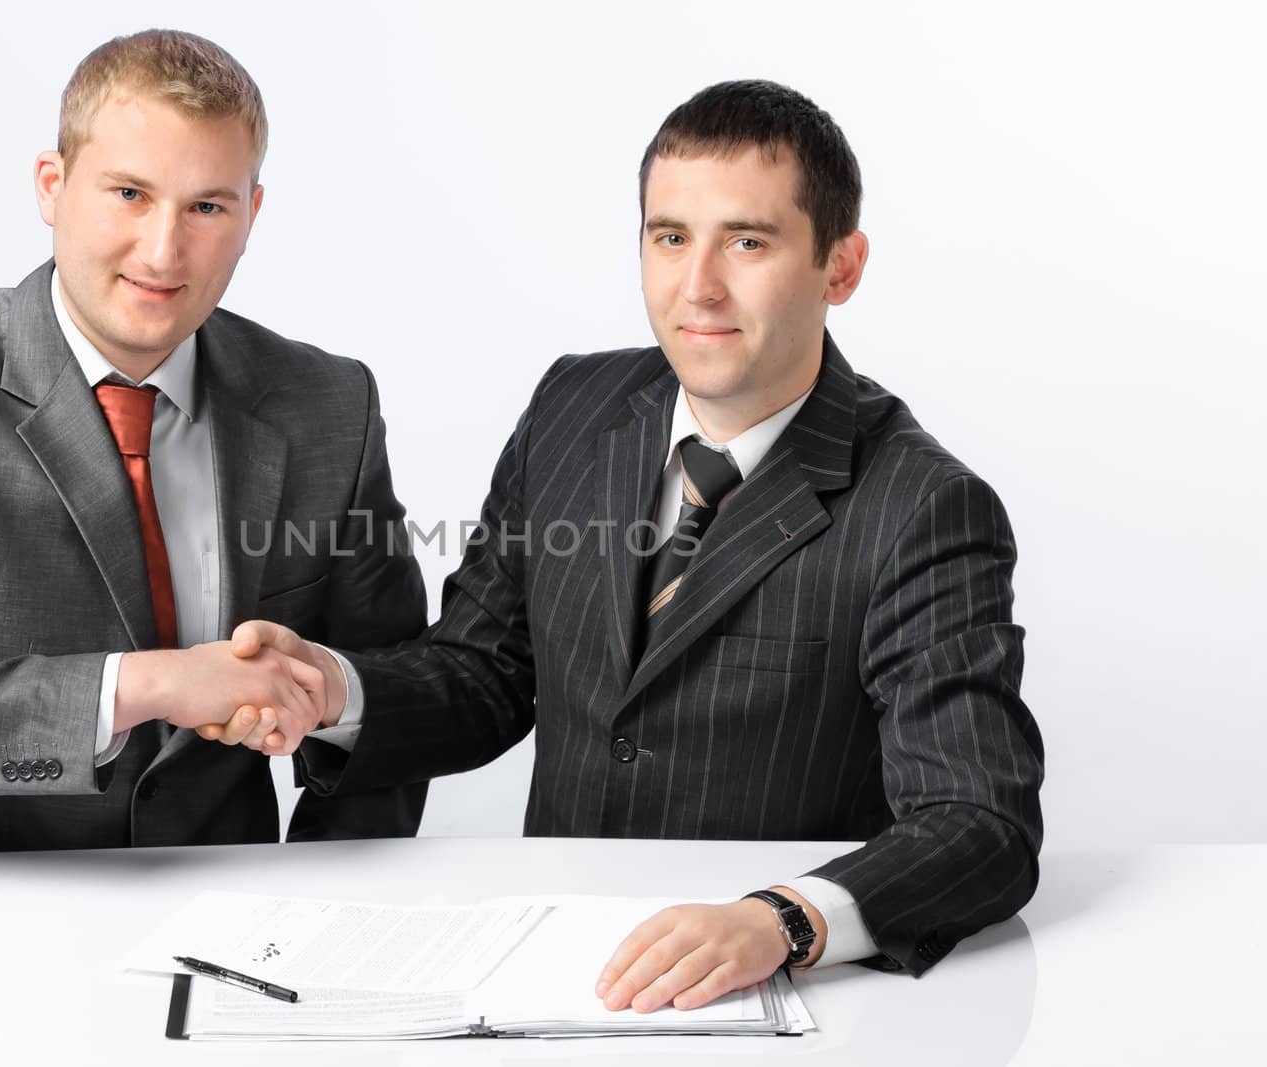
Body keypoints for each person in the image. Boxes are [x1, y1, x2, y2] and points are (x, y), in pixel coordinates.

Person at [213, 80, 1045, 1006]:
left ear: (840, 267)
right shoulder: (574, 407)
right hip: (553, 973)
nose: (700, 286)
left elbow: (981, 823)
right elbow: (486, 674)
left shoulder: (924, 505)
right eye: (670, 237)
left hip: (773, 999)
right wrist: (337, 690)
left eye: (749, 241)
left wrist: (781, 920)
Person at [0, 29, 426, 854]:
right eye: (129, 193)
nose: (164, 250)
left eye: (206, 206)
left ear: (251, 213)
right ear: (53, 185)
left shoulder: (327, 402)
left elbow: (398, 687)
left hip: (228, 915)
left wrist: (325, 891)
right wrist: (152, 684)